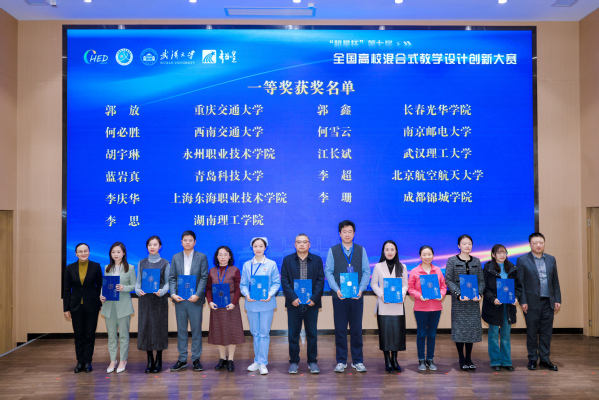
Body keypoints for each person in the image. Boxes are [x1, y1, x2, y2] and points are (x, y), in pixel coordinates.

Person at [324, 220, 371, 373]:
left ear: (354, 233)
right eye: (344, 231)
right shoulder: (333, 250)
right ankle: (341, 361)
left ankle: (358, 361)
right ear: (340, 234)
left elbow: (366, 271)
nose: (347, 234)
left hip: (357, 296)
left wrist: (361, 289)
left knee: (356, 329)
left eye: (350, 231)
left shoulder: (361, 250)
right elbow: (328, 271)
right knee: (340, 329)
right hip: (340, 296)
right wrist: (336, 289)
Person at [280, 233, 325, 375]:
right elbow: (284, 280)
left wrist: (314, 298)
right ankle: (294, 362)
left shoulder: (317, 260)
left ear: (309, 244)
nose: (302, 244)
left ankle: (312, 361)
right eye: (299, 242)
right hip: (294, 304)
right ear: (295, 244)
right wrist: (293, 297)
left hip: (312, 304)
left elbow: (320, 280)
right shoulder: (287, 260)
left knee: (312, 334)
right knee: (293, 334)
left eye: (305, 242)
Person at [517, 232, 561, 371]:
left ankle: (545, 359)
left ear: (544, 243)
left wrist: (557, 299)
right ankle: (532, 359)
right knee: (531, 332)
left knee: (546, 333)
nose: (538, 245)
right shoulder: (522, 260)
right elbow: (520, 283)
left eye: (541, 242)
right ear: (530, 244)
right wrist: (523, 301)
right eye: (535, 243)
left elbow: (555, 281)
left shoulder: (551, 259)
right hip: (531, 303)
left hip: (548, 302)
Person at [169, 230, 209, 372]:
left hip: (195, 300)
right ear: (181, 242)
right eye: (185, 240)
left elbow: (204, 277)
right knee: (181, 331)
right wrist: (173, 294)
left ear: (195, 242)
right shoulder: (175, 257)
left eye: (190, 240)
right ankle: (182, 359)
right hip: (180, 299)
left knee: (196, 331)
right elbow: (172, 278)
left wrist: (198, 294)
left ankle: (196, 359)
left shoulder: (201, 257)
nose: (187, 242)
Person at [240, 237, 281, 375]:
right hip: (251, 304)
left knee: (264, 333)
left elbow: (276, 283)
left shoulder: (271, 264)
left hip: (266, 303)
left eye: (261, 246)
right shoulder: (247, 265)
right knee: (255, 333)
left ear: (265, 248)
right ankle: (257, 361)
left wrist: (270, 294)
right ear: (252, 248)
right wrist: (246, 294)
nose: (258, 248)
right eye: (255, 246)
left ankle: (263, 362)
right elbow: (243, 284)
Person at [445, 234, 485, 371]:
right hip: (459, 302)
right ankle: (461, 358)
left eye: (469, 243)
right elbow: (448, 280)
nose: (467, 246)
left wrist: (479, 293)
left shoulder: (477, 261)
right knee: (459, 330)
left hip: (473, 302)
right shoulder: (451, 260)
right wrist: (459, 294)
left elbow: (481, 280)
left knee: (470, 330)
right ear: (459, 246)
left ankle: (469, 358)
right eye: (464, 243)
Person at [63, 243, 103, 373]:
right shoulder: (70, 268)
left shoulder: (96, 266)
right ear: (76, 253)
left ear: (89, 252)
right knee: (79, 335)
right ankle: (80, 362)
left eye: (85, 251)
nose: (83, 253)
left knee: (89, 335)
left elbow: (100, 286)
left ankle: (88, 362)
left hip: (92, 305)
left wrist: (100, 303)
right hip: (75, 306)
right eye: (80, 251)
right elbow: (67, 289)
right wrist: (66, 308)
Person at [482, 244, 522, 371]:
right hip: (493, 306)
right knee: (493, 335)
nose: (502, 255)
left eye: (504, 252)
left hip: (508, 307)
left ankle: (506, 362)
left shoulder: (513, 269)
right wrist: (493, 299)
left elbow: (518, 287)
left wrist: (517, 298)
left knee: (506, 335)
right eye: (499, 253)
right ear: (493, 255)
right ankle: (495, 361)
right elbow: (484, 288)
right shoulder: (487, 269)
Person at [371, 240, 408, 373]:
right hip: (384, 305)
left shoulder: (402, 266)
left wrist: (401, 295)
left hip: (397, 305)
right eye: (387, 249)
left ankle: (395, 359)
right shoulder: (378, 266)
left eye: (392, 249)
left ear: (396, 251)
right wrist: (382, 295)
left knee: (397, 333)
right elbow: (373, 284)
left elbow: (405, 285)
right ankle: (387, 359)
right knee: (385, 334)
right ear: (383, 251)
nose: (390, 252)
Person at [407, 245, 447, 372]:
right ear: (420, 256)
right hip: (420, 308)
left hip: (436, 308)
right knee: (421, 334)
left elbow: (443, 286)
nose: (427, 257)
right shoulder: (415, 271)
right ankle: (421, 360)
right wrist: (419, 296)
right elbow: (410, 289)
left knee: (432, 334)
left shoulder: (438, 270)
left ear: (433, 256)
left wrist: (441, 295)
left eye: (429, 254)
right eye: (424, 254)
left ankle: (430, 359)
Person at [134, 236, 170, 373]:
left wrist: (162, 291)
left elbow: (168, 282)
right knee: (146, 328)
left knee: (159, 328)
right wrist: (137, 290)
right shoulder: (141, 263)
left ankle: (159, 358)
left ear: (160, 246)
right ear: (147, 246)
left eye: (155, 244)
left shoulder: (165, 263)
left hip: (159, 300)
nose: (152, 247)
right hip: (145, 300)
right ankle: (149, 359)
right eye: (150, 244)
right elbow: (138, 282)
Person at [206, 246, 245, 373]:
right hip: (216, 305)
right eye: (220, 254)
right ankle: (222, 358)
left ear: (229, 256)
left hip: (231, 304)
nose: (223, 257)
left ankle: (231, 359)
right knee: (219, 331)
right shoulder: (212, 271)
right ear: (217, 257)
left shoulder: (235, 270)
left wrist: (234, 303)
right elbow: (208, 288)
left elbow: (238, 288)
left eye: (225, 254)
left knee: (232, 331)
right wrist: (210, 302)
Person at [100, 242, 137, 374]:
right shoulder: (106, 267)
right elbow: (104, 285)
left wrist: (124, 288)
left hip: (123, 306)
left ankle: (123, 360)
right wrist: (101, 295)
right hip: (109, 306)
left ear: (124, 253)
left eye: (118, 252)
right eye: (113, 252)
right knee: (111, 336)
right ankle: (112, 360)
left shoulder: (130, 268)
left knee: (123, 336)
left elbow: (134, 286)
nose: (115, 254)